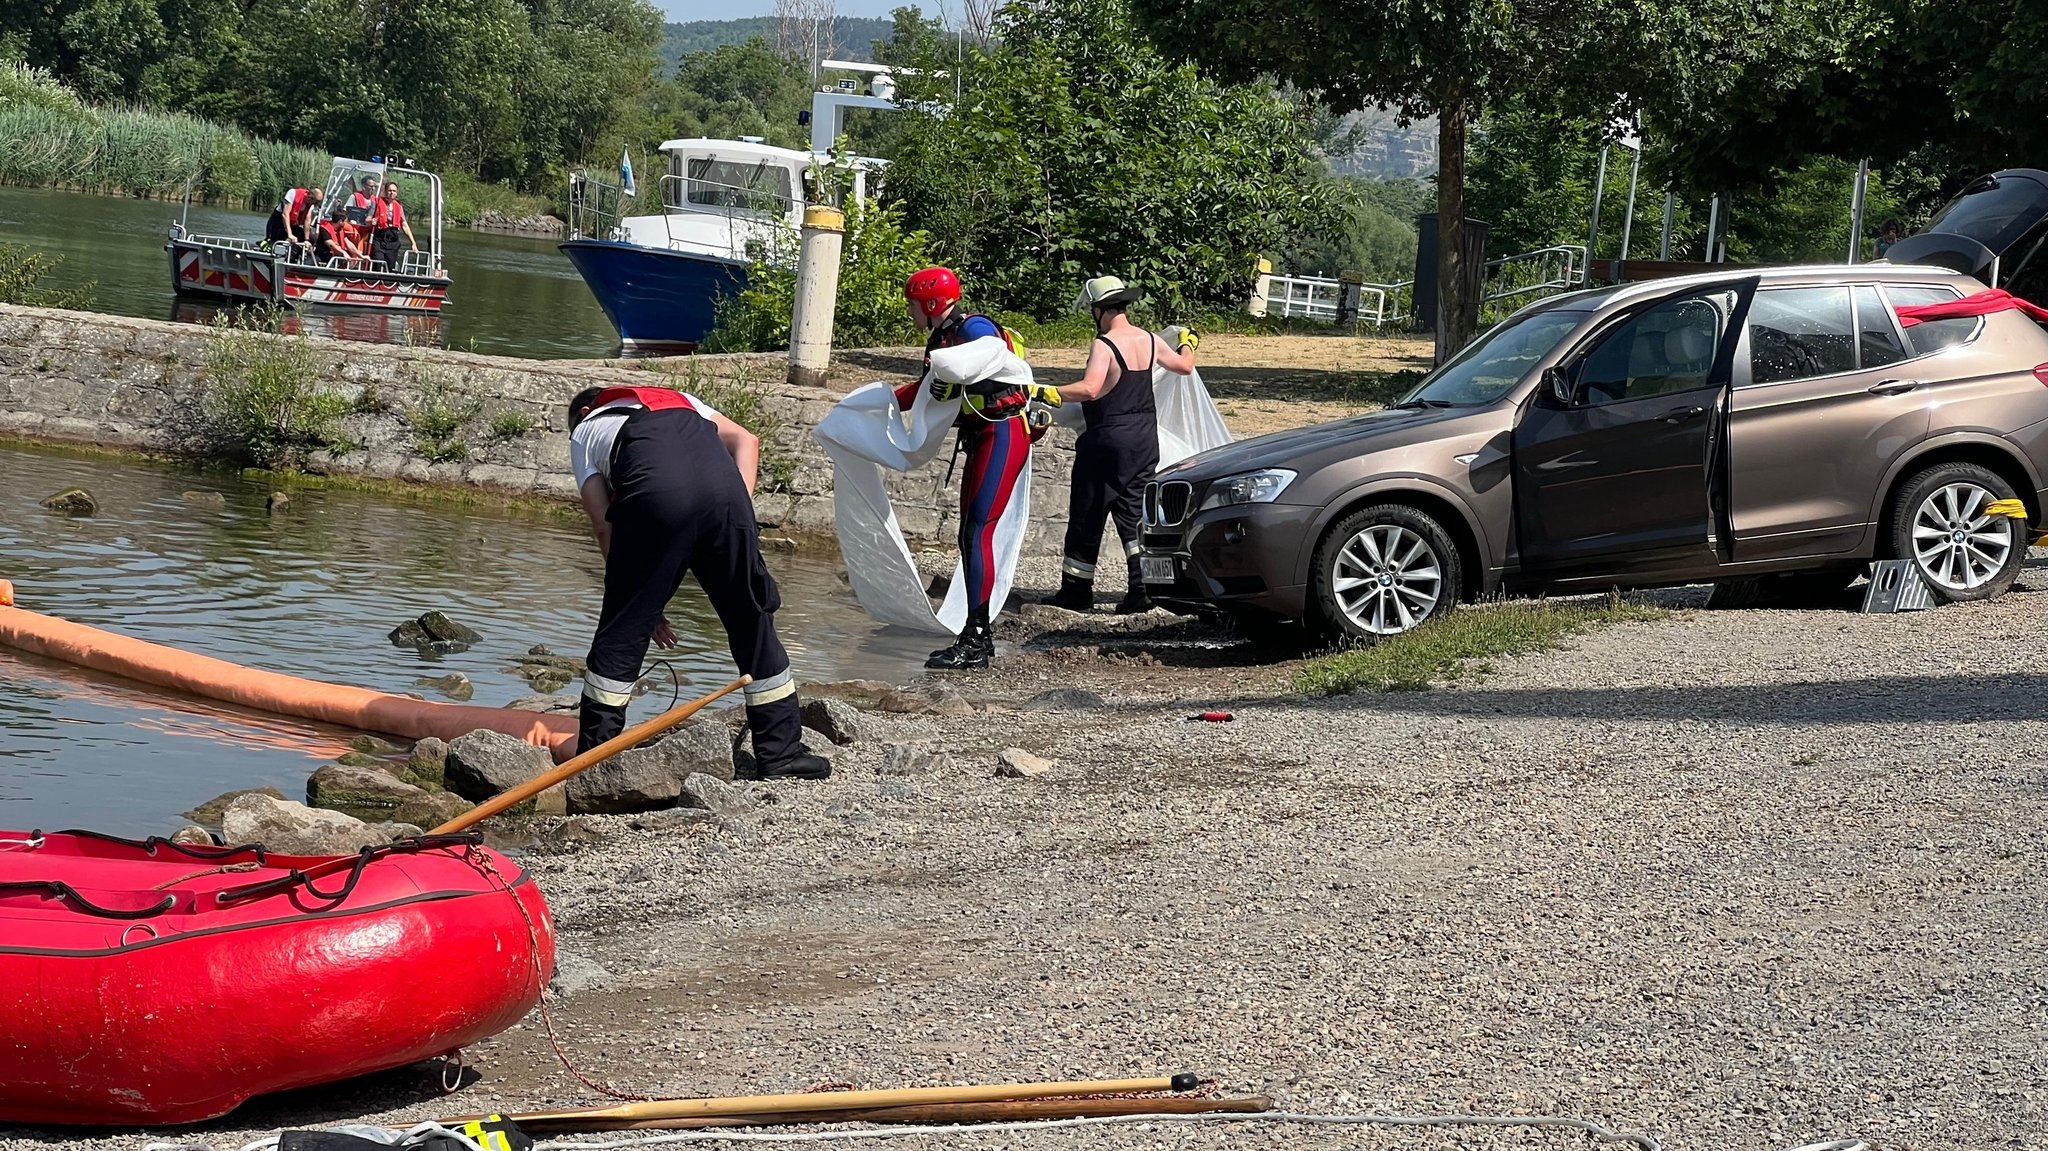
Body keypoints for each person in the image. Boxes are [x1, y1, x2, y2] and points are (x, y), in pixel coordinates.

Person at [566, 384, 831, 780]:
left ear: (586, 409)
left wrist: (639, 601)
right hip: (726, 492)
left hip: (656, 497)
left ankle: (593, 762)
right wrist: (733, 516)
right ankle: (780, 754)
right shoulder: (680, 399)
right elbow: (747, 440)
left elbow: (604, 524)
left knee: (622, 633)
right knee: (751, 617)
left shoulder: (585, 430)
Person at [892, 266, 1049, 670]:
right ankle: (976, 633)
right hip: (981, 437)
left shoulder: (973, 326)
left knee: (979, 531)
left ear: (930, 303)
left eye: (913, 305)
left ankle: (977, 638)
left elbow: (989, 351)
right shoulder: (941, 337)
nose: (910, 312)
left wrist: (955, 377)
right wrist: (878, 402)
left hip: (1003, 432)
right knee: (969, 534)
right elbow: (923, 391)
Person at [1044, 276, 1196, 614]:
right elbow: (1185, 367)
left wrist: (1047, 391)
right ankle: (1141, 589)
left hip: (1107, 439)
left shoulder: (1105, 344)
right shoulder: (1151, 339)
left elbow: (1091, 389)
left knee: (1088, 510)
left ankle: (1076, 591)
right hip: (1144, 439)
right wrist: (1188, 342)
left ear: (1098, 310)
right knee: (1131, 512)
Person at [370, 181, 418, 272]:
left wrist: (413, 243)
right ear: (385, 191)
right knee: (378, 263)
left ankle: (388, 282)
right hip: (379, 238)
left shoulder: (398, 206)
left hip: (392, 239)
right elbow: (367, 219)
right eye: (390, 190)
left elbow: (404, 225)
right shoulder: (377, 203)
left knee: (390, 266)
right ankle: (375, 280)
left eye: (394, 191)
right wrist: (371, 221)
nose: (392, 193)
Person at [267, 185, 322, 250]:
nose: (313, 203)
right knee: (282, 237)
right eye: (314, 201)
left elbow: (307, 221)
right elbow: (285, 214)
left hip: (293, 225)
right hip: (278, 223)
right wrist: (289, 234)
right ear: (310, 196)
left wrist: (306, 239)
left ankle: (299, 256)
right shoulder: (293, 193)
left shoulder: (310, 205)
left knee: (312, 239)